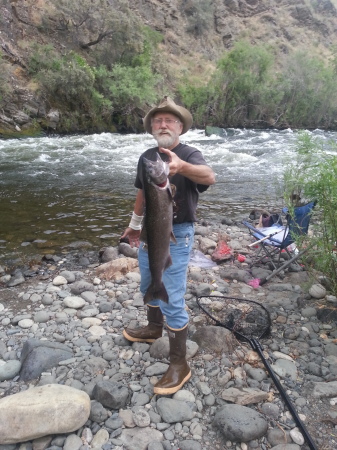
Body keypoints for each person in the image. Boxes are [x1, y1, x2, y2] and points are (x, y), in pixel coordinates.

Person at [121, 96, 215, 395]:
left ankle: (179, 363)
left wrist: (181, 166)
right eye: (157, 120)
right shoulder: (148, 157)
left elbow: (210, 177)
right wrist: (134, 226)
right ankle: (153, 328)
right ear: (151, 127)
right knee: (148, 282)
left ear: (180, 128)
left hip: (179, 232)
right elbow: (142, 193)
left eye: (169, 120)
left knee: (171, 295)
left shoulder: (190, 153)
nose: (163, 124)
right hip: (151, 229)